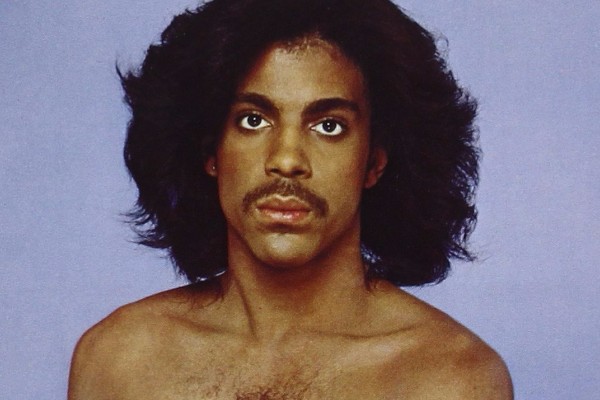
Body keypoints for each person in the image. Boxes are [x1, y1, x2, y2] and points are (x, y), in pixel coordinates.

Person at [68, 0, 513, 398]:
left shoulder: (448, 378)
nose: (286, 160)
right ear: (210, 151)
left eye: (329, 126)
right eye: (253, 120)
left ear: (375, 161)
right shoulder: (120, 360)